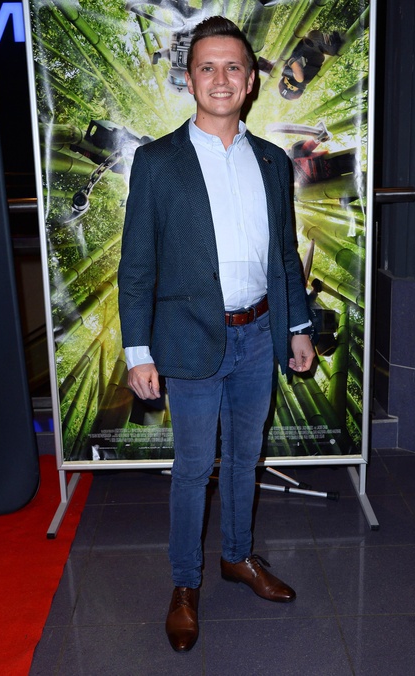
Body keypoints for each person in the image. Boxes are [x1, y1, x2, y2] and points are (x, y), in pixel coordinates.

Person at [118, 16, 315, 653]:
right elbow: (137, 266)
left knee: (244, 459)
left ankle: (237, 556)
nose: (221, 78)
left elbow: (283, 255)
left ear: (251, 81)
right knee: (193, 468)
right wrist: (138, 351)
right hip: (189, 340)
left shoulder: (272, 162)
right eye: (208, 67)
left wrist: (296, 327)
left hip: (259, 335)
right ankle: (185, 583)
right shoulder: (157, 162)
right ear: (189, 78)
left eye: (234, 67)